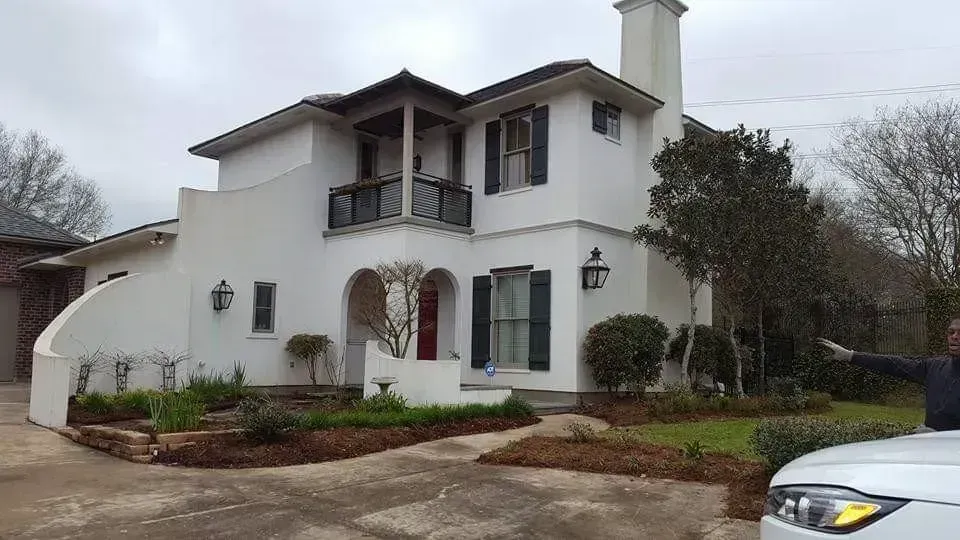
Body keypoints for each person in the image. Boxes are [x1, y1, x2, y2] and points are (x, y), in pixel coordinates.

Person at [816, 316, 960, 432]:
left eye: (959, 333)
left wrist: (941, 438)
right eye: (951, 332)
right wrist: (850, 356)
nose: (954, 336)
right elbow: (892, 364)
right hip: (929, 454)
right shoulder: (934, 367)